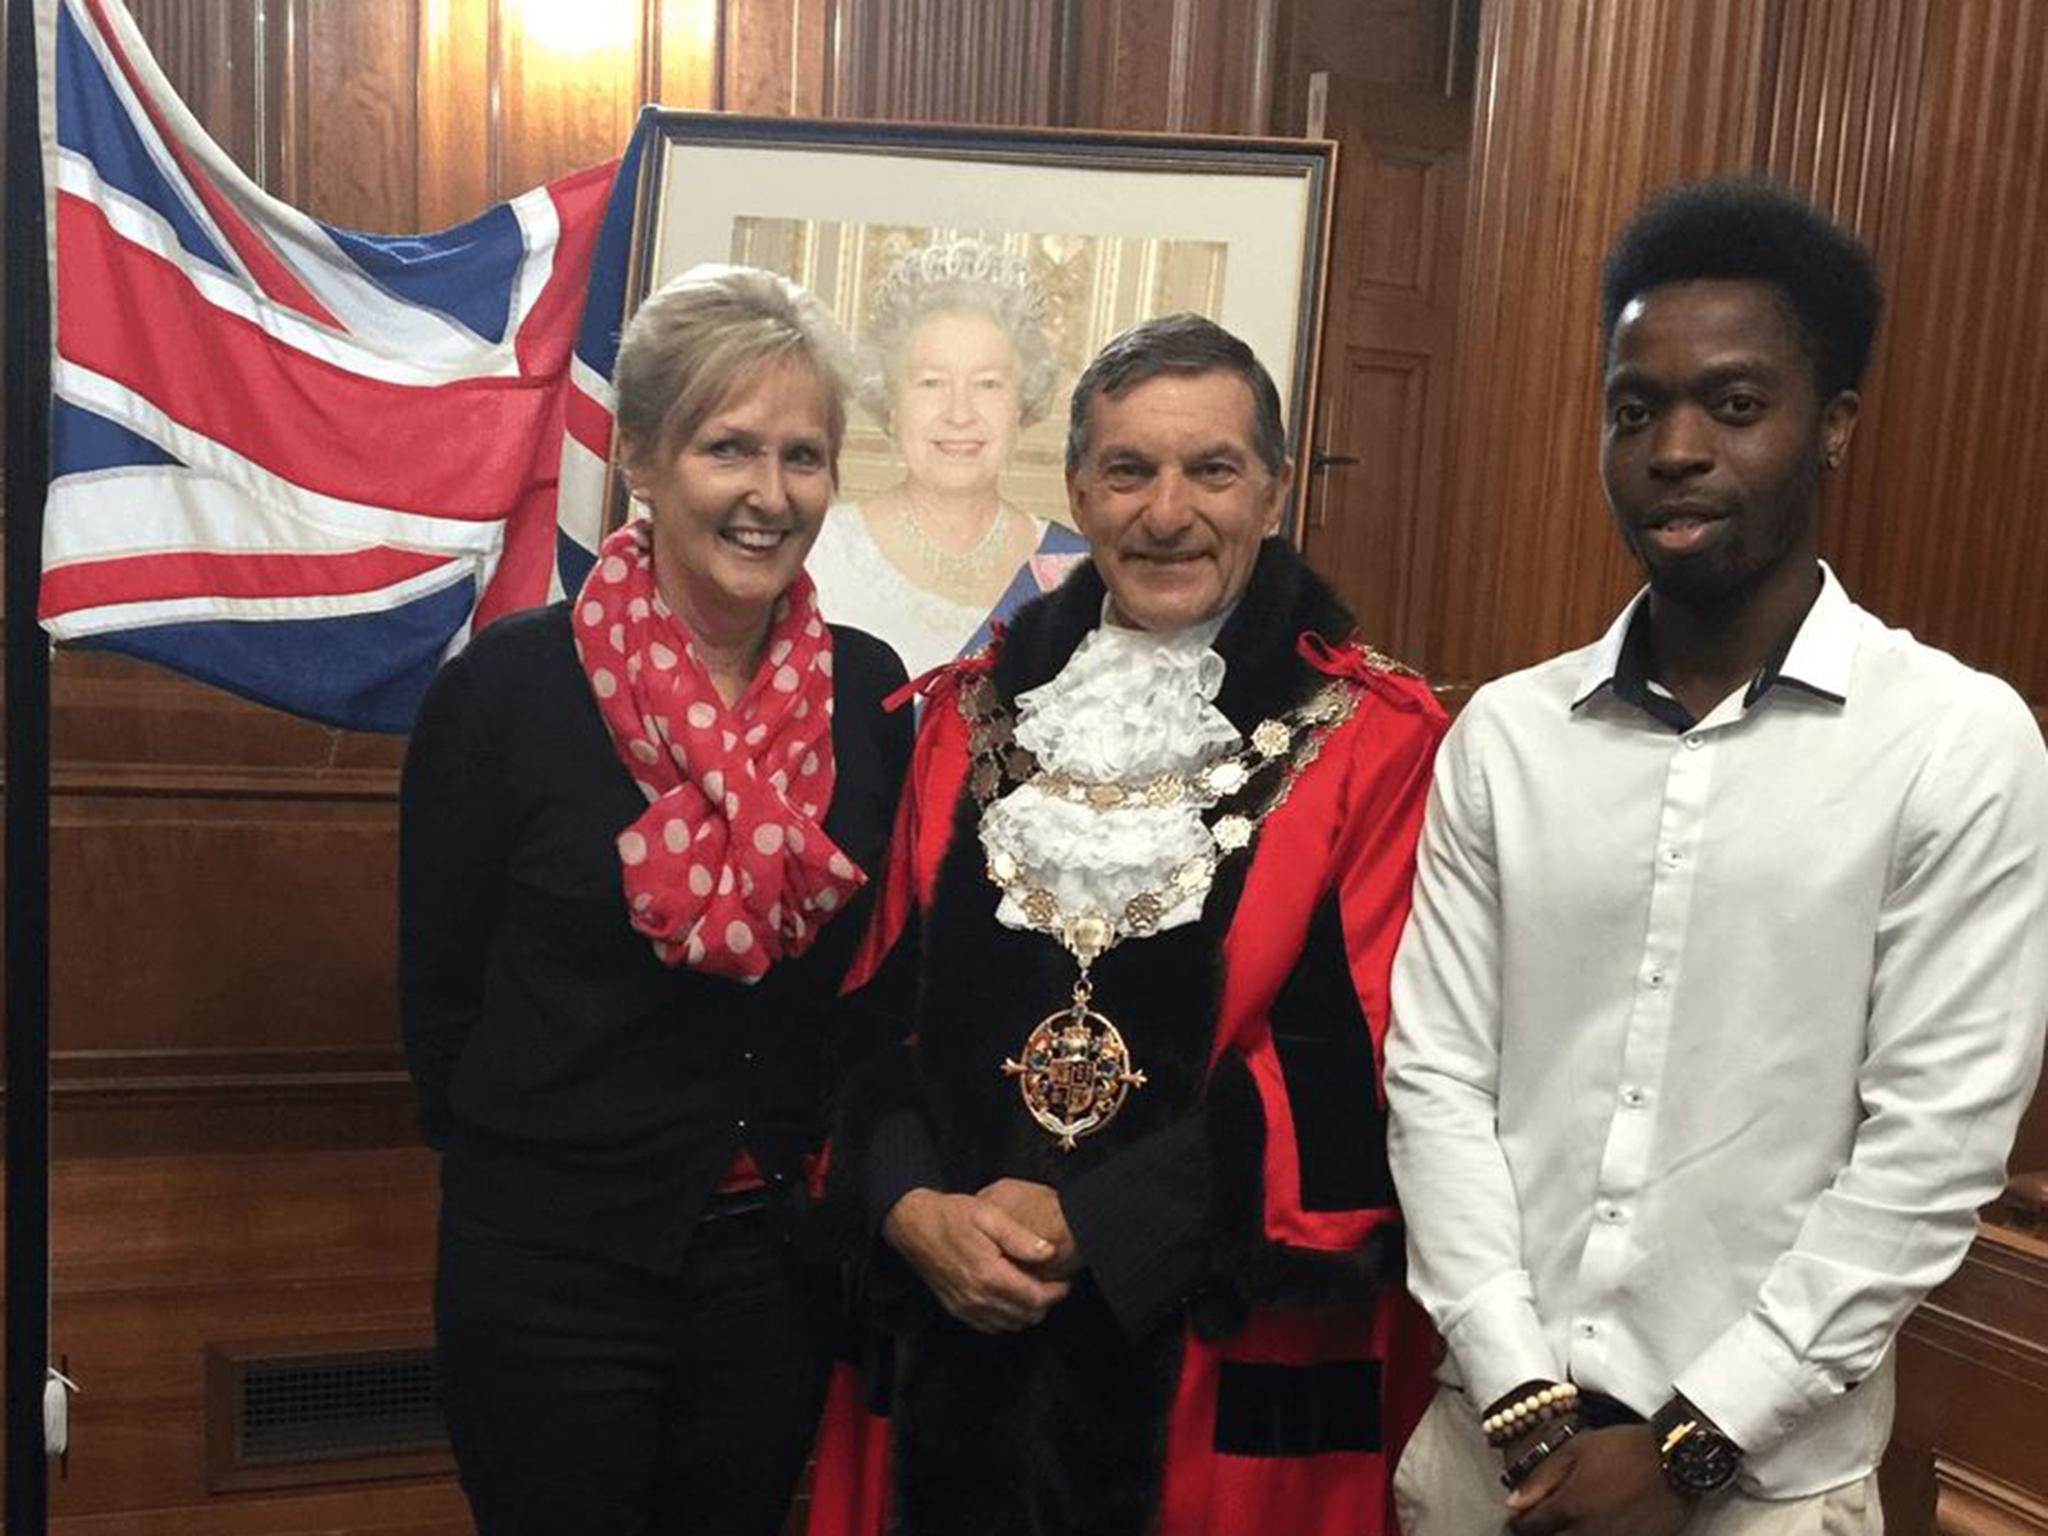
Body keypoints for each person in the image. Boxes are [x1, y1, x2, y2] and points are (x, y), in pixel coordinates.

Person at [1385, 177, 2048, 1536]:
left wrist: (1693, 1445)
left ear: (1834, 426)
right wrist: (1522, 1394)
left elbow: (1930, 1153)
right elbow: (1438, 1077)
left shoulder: (1954, 742)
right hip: (1485, 1466)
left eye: (1734, 405)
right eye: (1636, 408)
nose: (1674, 448)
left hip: (1764, 1497)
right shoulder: (1508, 736)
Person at [805, 313, 1446, 1536]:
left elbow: (1372, 1063)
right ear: (1076, 493)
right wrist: (906, 1207)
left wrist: (1098, 1222)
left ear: (1271, 490)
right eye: (1126, 471)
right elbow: (874, 1013)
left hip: (1211, 1365)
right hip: (949, 1322)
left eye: (1209, 469)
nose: (1166, 512)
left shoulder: (1375, 741)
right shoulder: (963, 719)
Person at [399, 264, 912, 1536]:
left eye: (804, 455)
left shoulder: (867, 693)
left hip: (772, 1269)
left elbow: (874, 992)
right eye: (727, 447)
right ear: (639, 454)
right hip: (549, 1270)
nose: (769, 493)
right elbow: (439, 1007)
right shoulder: (507, 691)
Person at [807, 237, 1088, 677]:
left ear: (1022, 404)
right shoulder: (817, 554)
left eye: (988, 384)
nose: (960, 413)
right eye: (931, 382)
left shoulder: (1074, 570)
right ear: (891, 401)